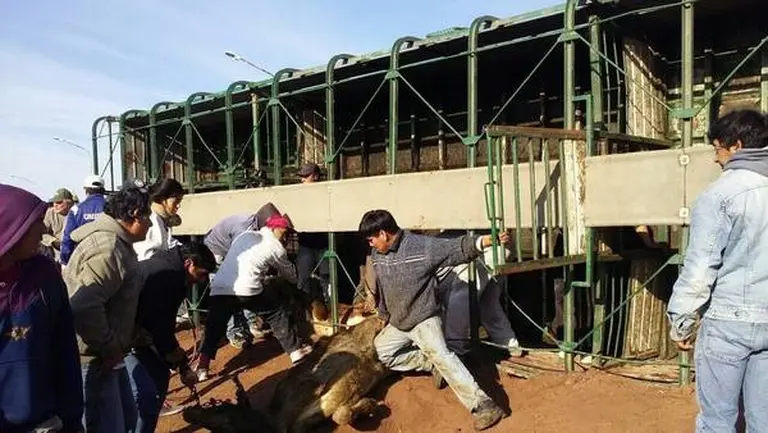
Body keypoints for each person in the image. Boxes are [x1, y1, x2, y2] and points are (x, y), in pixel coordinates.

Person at [667, 109, 768, 433]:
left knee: (718, 420)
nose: (715, 158)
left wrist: (681, 321)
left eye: (717, 148)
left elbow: (700, 267)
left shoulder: (719, 195)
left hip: (727, 322)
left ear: (736, 146)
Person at [359, 210, 506, 431]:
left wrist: (487, 240)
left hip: (423, 318)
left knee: (444, 356)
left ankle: (484, 405)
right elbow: (383, 286)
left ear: (383, 233)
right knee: (382, 353)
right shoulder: (379, 254)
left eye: (371, 239)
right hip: (399, 322)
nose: (370, 245)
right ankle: (430, 364)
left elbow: (456, 248)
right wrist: (384, 312)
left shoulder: (421, 247)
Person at [64, 182, 152, 433]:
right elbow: (84, 305)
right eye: (148, 217)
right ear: (135, 214)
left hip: (105, 354)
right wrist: (110, 346)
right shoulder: (109, 247)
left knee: (124, 419)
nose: (149, 224)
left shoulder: (117, 244)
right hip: (94, 358)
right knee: (104, 424)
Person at [0, 184, 83, 433]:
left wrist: (72, 420)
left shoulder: (44, 275)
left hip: (44, 423)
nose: (43, 229)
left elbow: (65, 351)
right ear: (8, 226)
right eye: (34, 222)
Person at [196, 214, 313, 381]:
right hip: (247, 290)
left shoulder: (246, 235)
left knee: (213, 328)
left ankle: (202, 368)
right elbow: (291, 277)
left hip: (220, 287)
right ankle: (295, 351)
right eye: (284, 231)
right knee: (275, 312)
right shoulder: (276, 248)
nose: (285, 236)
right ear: (274, 228)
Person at [127, 241, 216, 433]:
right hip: (120, 334)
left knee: (159, 376)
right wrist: (183, 366)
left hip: (139, 331)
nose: (201, 281)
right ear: (189, 264)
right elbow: (161, 330)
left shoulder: (172, 267)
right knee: (146, 394)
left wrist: (181, 364)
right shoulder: (168, 277)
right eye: (200, 274)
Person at [203, 203, 281, 348]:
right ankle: (235, 333)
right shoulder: (243, 229)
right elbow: (239, 257)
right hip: (215, 254)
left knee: (245, 286)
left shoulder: (254, 225)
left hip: (229, 252)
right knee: (229, 293)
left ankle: (252, 325)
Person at [435, 231, 521, 357]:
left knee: (461, 294)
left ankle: (457, 348)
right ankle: (508, 342)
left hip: (482, 245)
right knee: (488, 301)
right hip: (485, 244)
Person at [295, 162, 330, 321]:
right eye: (301, 176)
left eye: (306, 176)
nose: (302, 179)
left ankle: (330, 313)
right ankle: (305, 317)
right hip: (305, 244)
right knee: (303, 279)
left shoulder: (327, 192)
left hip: (323, 243)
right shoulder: (298, 194)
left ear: (316, 176)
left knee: (327, 278)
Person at [133, 178, 184, 261]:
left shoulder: (160, 219)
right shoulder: (150, 221)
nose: (178, 206)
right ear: (162, 199)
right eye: (176, 201)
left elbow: (169, 243)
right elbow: (146, 257)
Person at [61, 175, 106, 266]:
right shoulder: (113, 207)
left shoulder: (76, 209)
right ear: (103, 189)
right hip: (110, 257)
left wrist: (65, 261)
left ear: (86, 190)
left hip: (84, 259)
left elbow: (68, 238)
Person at [41, 188, 75, 263]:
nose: (55, 205)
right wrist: (53, 241)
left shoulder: (77, 212)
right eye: (54, 202)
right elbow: (42, 232)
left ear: (70, 203)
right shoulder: (50, 213)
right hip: (57, 256)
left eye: (59, 202)